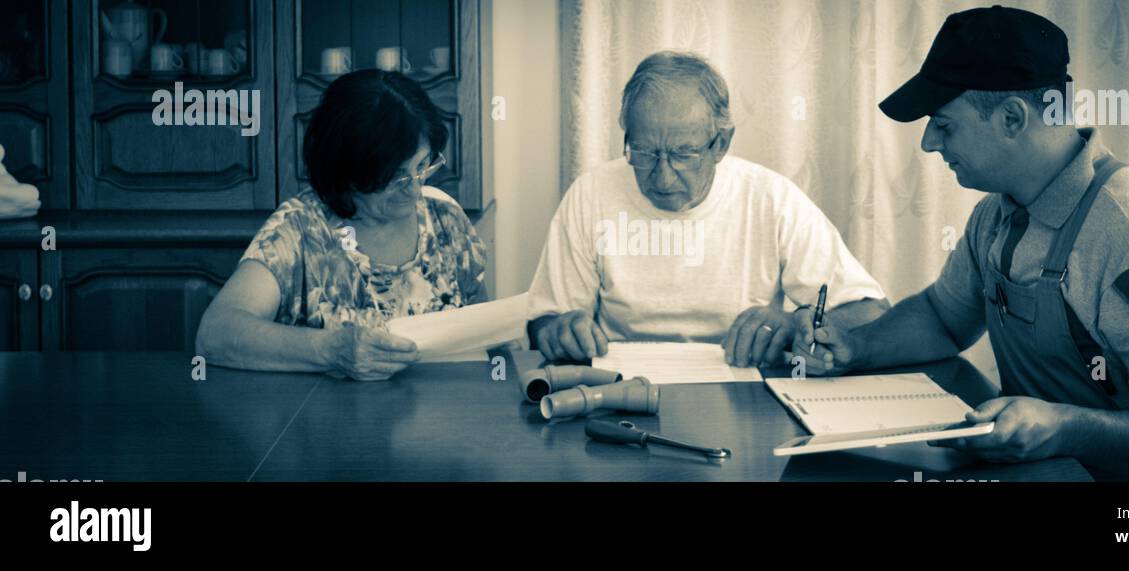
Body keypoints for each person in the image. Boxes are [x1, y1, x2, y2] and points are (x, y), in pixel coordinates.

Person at [794, 6, 1129, 480]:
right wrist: (853, 346)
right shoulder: (998, 211)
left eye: (944, 124)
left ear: (1012, 118)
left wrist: (1063, 428)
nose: (928, 143)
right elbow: (942, 319)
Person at [527, 51, 888, 366]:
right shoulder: (590, 194)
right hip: (621, 386)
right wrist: (558, 330)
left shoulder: (770, 198)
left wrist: (796, 323)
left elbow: (871, 311)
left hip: (743, 386)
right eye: (644, 152)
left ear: (721, 144)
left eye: (683, 154)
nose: (663, 177)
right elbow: (544, 320)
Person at [196, 70, 488, 380]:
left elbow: (485, 323)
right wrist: (331, 350)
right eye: (395, 176)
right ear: (347, 171)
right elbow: (216, 334)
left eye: (422, 166)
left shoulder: (445, 218)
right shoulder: (298, 229)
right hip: (334, 422)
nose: (415, 190)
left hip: (446, 420)